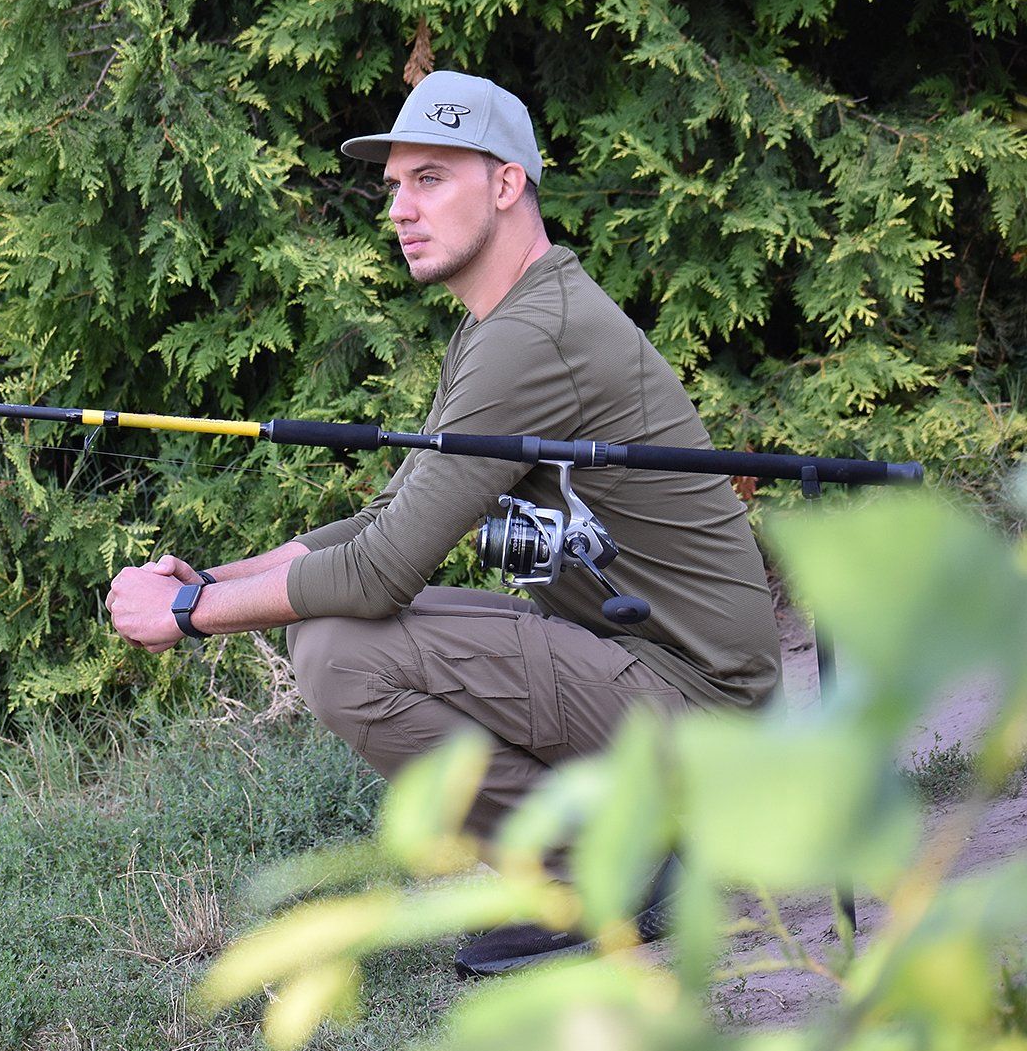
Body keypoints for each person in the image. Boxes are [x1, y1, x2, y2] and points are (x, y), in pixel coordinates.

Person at [103, 70, 781, 976]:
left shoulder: (530, 338)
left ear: (506, 185)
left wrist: (182, 619)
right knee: (329, 635)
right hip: (652, 676)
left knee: (344, 652)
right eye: (394, 187)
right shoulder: (507, 320)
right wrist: (212, 582)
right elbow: (392, 519)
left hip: (703, 714)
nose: (400, 209)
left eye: (432, 179)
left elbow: (383, 574)